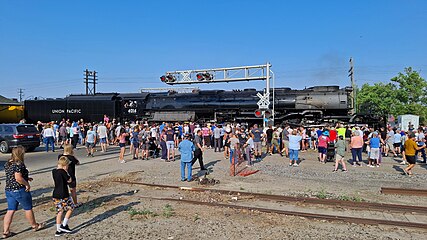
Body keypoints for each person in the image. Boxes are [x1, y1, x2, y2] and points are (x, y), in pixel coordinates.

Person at [3, 146, 45, 238]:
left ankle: (6, 231)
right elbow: (18, 178)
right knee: (28, 208)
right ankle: (35, 225)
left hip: (9, 189)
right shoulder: (19, 164)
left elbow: (12, 176)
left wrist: (26, 178)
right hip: (19, 189)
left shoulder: (8, 163)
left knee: (10, 210)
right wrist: (26, 184)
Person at [52, 156, 74, 237]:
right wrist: (67, 172)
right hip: (63, 194)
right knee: (71, 207)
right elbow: (69, 180)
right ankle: (64, 225)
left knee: (59, 211)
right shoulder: (63, 172)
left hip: (55, 194)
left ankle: (58, 230)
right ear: (65, 165)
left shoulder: (54, 171)